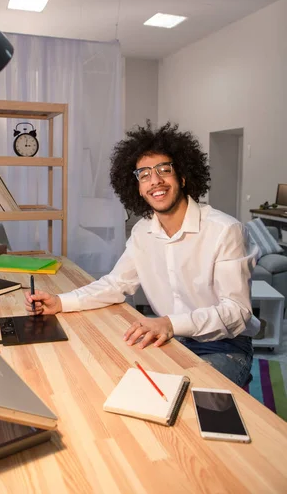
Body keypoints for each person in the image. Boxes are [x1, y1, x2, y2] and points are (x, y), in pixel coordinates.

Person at [24, 122, 259, 386]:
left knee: (189, 400)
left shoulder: (225, 230)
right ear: (136, 186)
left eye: (164, 170)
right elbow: (116, 284)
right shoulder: (142, 232)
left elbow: (237, 312)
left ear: (182, 176)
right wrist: (60, 302)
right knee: (110, 378)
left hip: (223, 345)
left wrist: (170, 323)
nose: (155, 181)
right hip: (169, 338)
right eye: (144, 174)